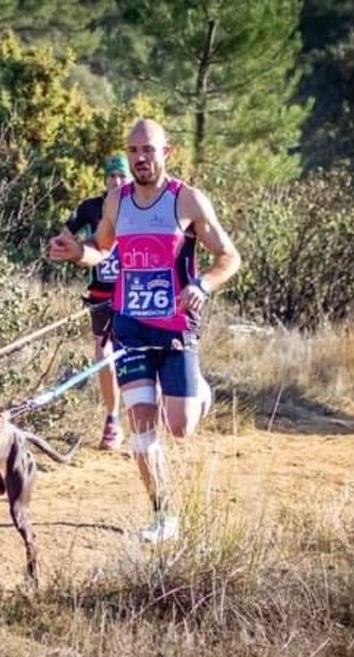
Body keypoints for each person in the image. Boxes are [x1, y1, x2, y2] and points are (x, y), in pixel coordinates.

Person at [47, 119, 241, 543]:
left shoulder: (186, 200)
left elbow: (229, 256)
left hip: (174, 326)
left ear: (165, 153)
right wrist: (76, 252)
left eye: (148, 150)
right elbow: (101, 250)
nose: (140, 158)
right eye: (133, 150)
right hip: (130, 325)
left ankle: (198, 391)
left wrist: (202, 284)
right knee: (141, 424)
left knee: (181, 425)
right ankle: (163, 514)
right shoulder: (116, 201)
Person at [57, 153, 130, 450]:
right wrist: (68, 248)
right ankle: (112, 419)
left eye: (121, 176)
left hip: (134, 294)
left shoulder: (140, 204)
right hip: (101, 293)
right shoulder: (90, 207)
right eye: (112, 176)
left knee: (139, 355)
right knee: (104, 355)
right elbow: (65, 234)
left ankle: (148, 415)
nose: (116, 181)